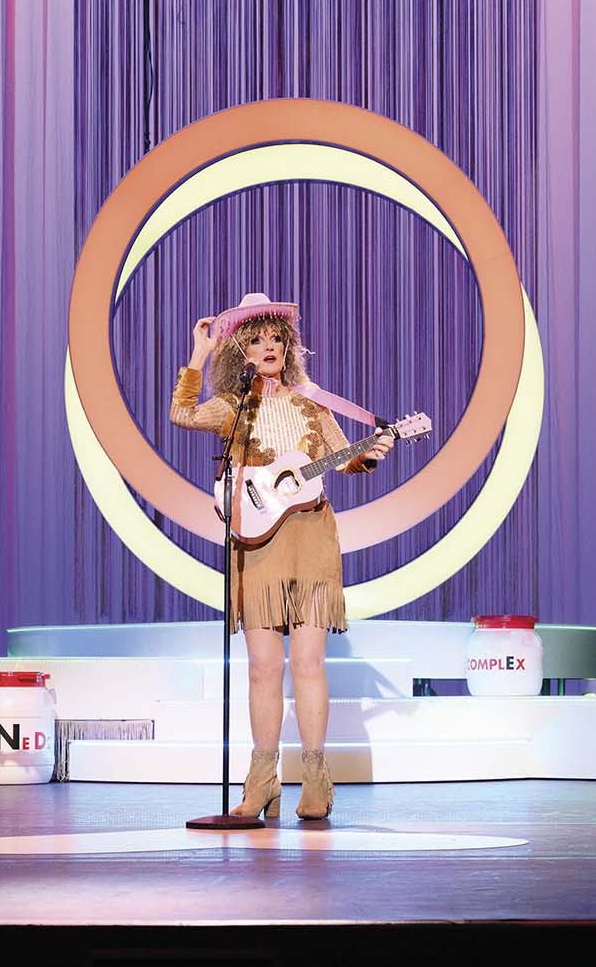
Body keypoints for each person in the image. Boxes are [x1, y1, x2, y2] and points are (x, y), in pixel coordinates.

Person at [171, 292, 393, 820]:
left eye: (277, 338)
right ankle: (263, 780)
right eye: (257, 339)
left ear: (289, 346)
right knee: (263, 667)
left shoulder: (312, 402)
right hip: (256, 542)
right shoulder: (233, 407)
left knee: (309, 662)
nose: (269, 346)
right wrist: (199, 354)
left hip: (312, 537)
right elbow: (182, 414)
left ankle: (315, 778)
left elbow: (342, 458)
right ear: (241, 351)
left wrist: (367, 455)